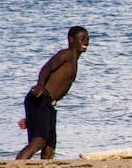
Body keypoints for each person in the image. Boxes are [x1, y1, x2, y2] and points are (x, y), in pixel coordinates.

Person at [16, 26, 90, 160]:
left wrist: (32, 118)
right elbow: (47, 67)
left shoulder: (74, 59)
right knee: (39, 141)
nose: (86, 42)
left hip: (47, 104)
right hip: (40, 98)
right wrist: (39, 85)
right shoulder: (66, 54)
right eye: (82, 39)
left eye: (87, 39)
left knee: (50, 146)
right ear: (71, 40)